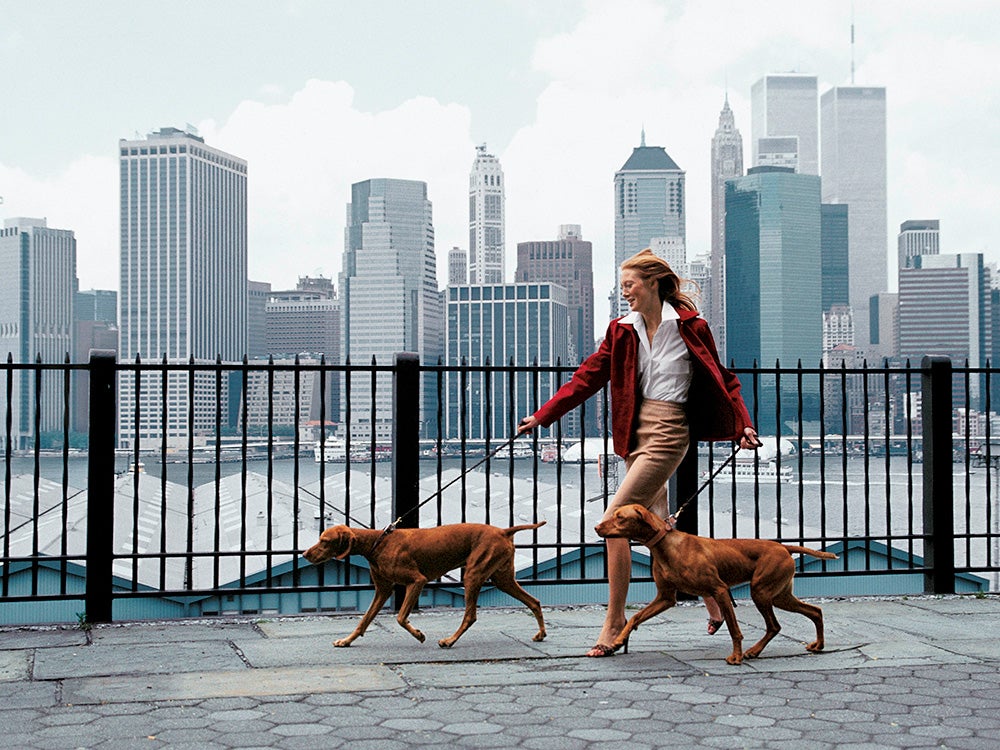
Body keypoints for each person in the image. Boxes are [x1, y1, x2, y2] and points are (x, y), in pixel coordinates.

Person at [518, 248, 759, 657]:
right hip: (634, 431)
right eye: (622, 285)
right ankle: (713, 598)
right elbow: (588, 376)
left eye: (629, 283)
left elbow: (724, 378)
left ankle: (614, 621)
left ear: (652, 283)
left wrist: (743, 424)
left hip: (670, 430)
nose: (623, 291)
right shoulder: (621, 330)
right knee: (658, 526)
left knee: (617, 520)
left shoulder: (691, 327)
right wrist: (545, 415)